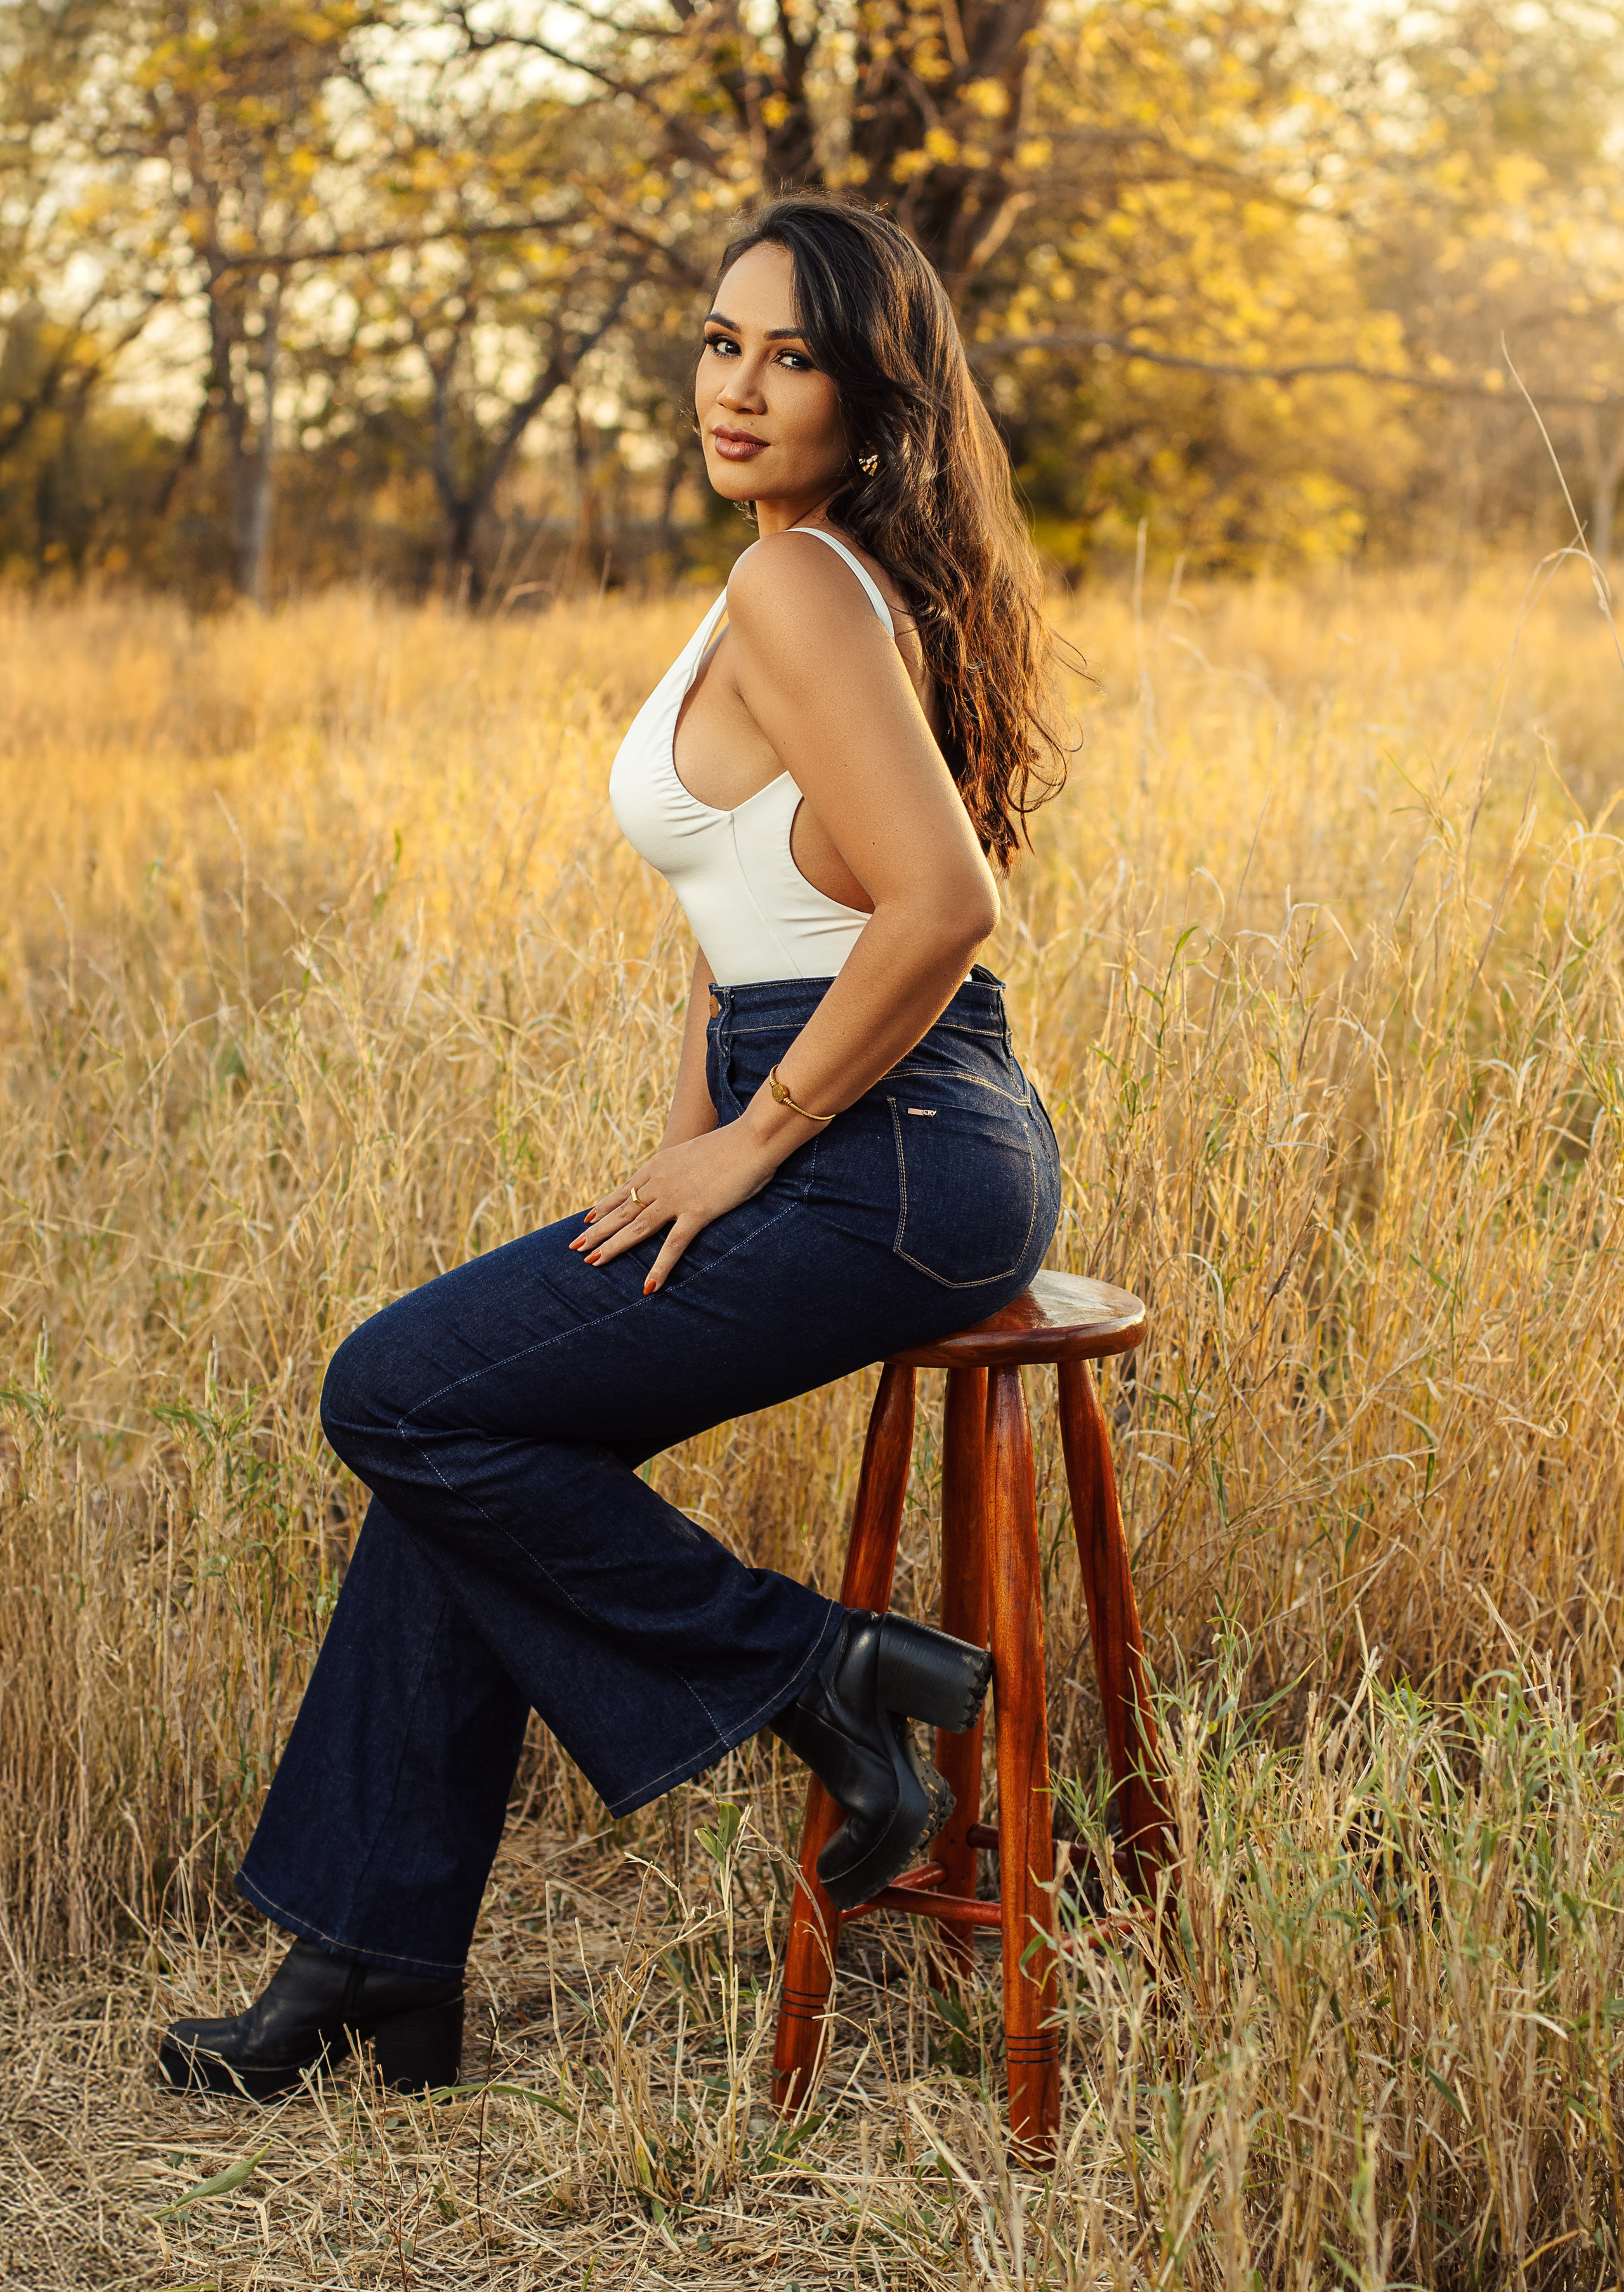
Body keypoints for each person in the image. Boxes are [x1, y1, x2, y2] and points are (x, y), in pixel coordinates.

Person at [160, 190, 1070, 2103]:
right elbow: (741, 921)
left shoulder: (803, 585)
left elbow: (943, 908)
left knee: (390, 1390)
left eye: (792, 358)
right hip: (850, 1119)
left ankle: (827, 1677)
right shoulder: (786, 577)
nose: (738, 387)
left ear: (869, 395)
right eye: (722, 343)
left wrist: (754, 1142)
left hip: (897, 1143)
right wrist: (683, 1141)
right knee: (464, 1435)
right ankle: (375, 1958)